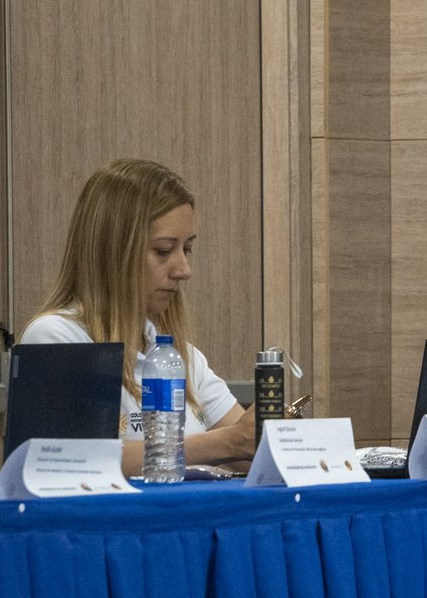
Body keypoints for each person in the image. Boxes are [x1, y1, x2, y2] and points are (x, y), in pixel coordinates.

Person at [19, 159, 256, 475]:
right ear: (112, 252)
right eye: (162, 251)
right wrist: (224, 444)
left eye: (187, 250)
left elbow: (246, 447)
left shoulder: (179, 354)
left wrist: (274, 437)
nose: (184, 270)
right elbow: (75, 461)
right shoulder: (56, 336)